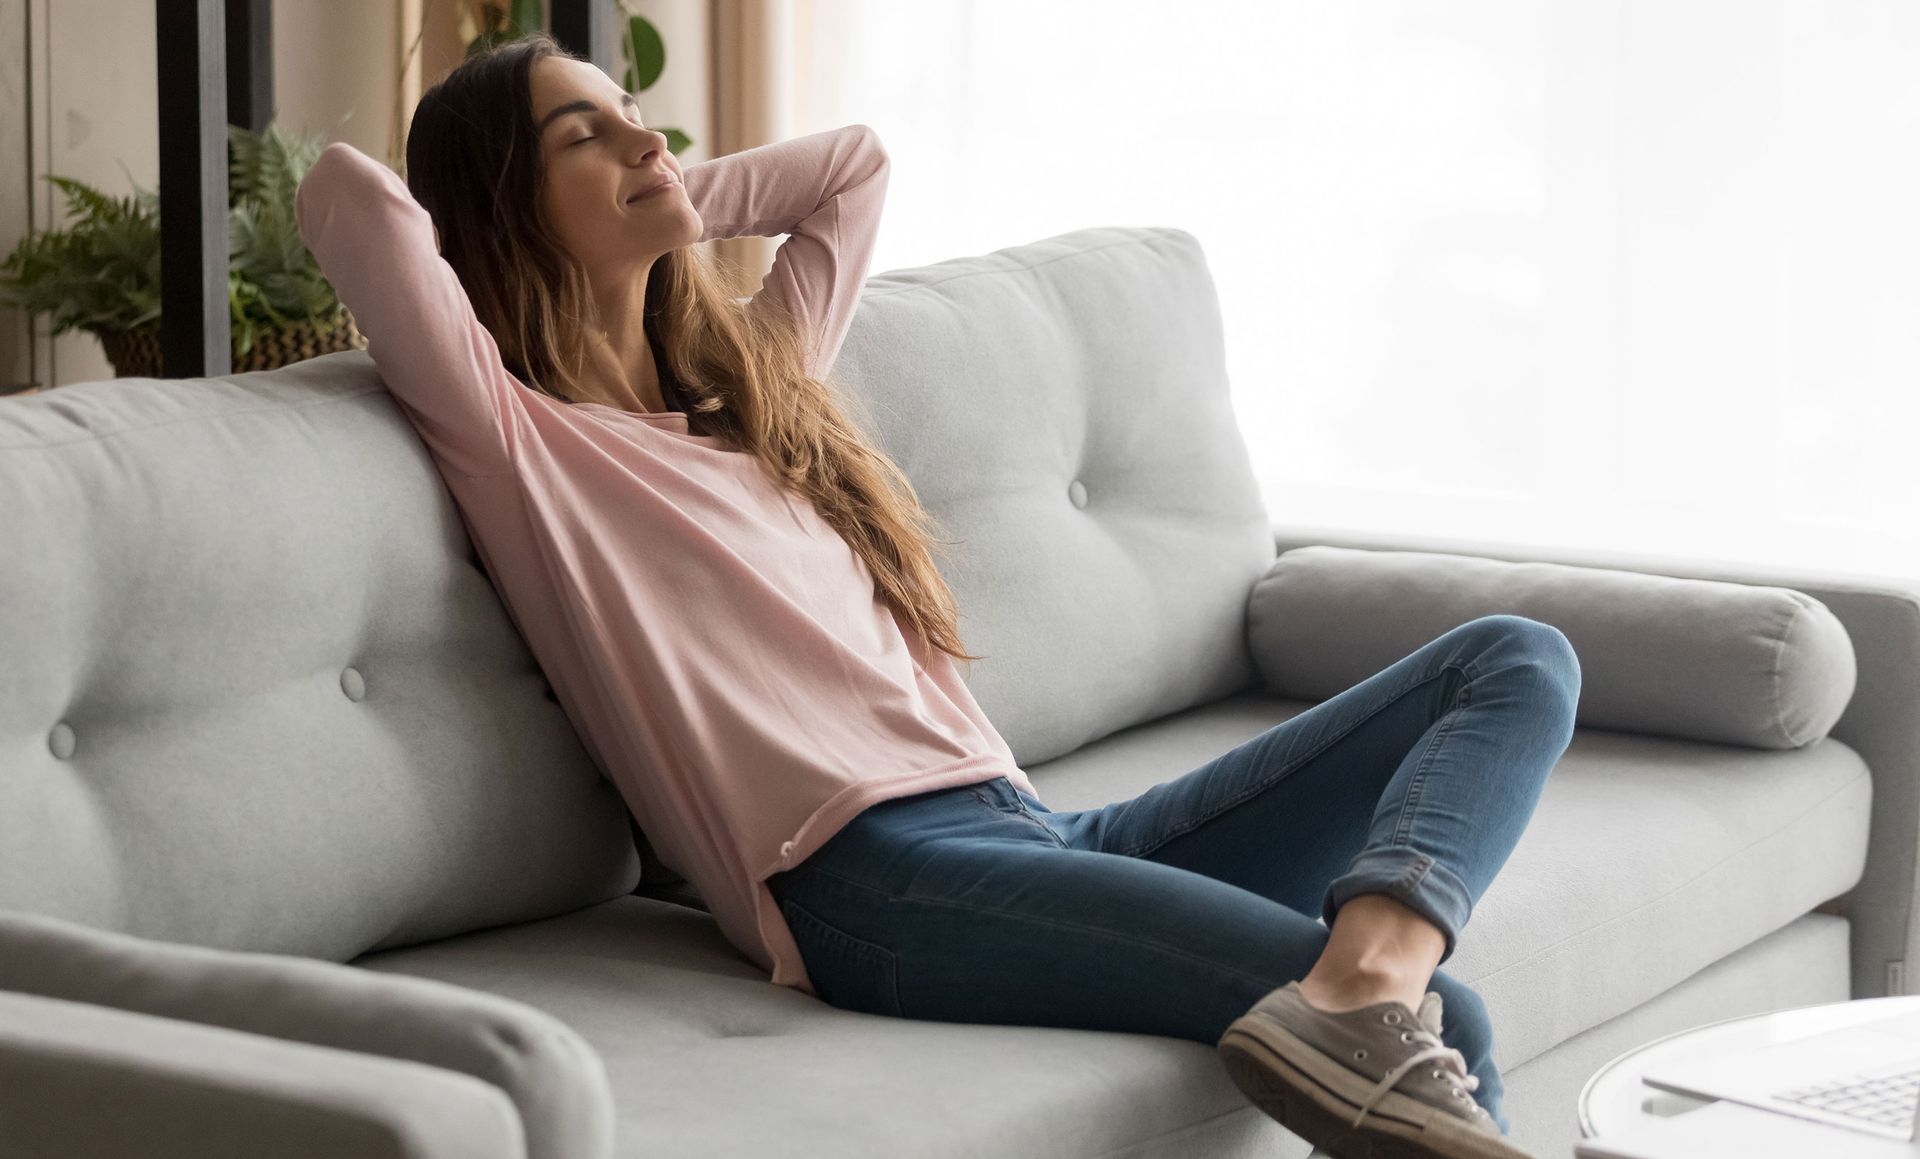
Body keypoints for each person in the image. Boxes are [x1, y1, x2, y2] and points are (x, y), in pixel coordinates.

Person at [294, 30, 1578, 1159]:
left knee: (1515, 660)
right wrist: (560, 201)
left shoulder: (755, 395)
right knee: (1443, 1017)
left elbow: (852, 168)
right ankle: (1363, 996)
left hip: (1032, 831)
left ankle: (1361, 973)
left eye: (639, 114)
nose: (645, 132)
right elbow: (346, 197)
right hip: (866, 879)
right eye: (587, 132)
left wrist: (666, 182)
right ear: (507, 204)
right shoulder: (522, 440)